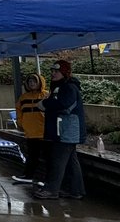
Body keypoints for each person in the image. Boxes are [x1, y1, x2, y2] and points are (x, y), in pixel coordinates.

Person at [35, 59, 87, 200]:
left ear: (64, 72)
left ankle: (51, 189)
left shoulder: (68, 88)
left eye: (56, 71)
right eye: (52, 71)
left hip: (65, 131)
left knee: (57, 160)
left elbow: (64, 105)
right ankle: (75, 190)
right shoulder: (62, 86)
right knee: (71, 162)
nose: (53, 73)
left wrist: (45, 103)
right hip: (66, 131)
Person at [11, 72, 49, 185]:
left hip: (43, 131)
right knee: (32, 155)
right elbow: (19, 111)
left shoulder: (45, 95)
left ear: (39, 82)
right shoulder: (23, 98)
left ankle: (45, 178)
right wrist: (20, 123)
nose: (32, 84)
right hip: (30, 132)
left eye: (34, 81)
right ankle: (29, 175)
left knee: (46, 157)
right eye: (30, 82)